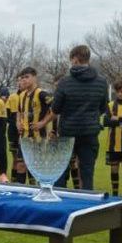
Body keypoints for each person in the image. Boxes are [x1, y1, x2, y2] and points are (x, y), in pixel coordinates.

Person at [41, 45, 109, 190]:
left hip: (67, 132)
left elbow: (56, 108)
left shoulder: (65, 82)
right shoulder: (102, 82)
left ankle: (60, 202)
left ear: (75, 59)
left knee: (61, 171)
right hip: (90, 132)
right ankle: (86, 207)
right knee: (87, 172)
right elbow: (103, 107)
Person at [14, 67, 51, 185]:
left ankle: (41, 190)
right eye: (22, 78)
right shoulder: (21, 95)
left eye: (26, 77)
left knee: (37, 166)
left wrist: (43, 123)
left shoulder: (42, 94)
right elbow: (19, 112)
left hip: (38, 138)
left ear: (34, 77)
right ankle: (21, 192)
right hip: (24, 138)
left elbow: (55, 110)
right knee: (20, 165)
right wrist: (18, 122)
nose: (23, 80)